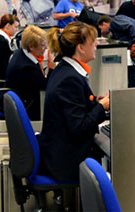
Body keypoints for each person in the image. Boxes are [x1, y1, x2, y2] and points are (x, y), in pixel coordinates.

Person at [39, 21, 109, 182]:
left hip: (57, 151)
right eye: (93, 42)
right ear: (81, 47)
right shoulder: (70, 79)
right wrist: (101, 106)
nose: (97, 44)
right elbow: (79, 127)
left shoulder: (64, 70)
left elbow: (72, 108)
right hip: (65, 162)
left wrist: (94, 102)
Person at [5, 25, 54, 120]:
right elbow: (47, 86)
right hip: (27, 107)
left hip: (22, 98)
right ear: (31, 47)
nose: (45, 49)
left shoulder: (20, 53)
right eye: (43, 46)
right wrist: (52, 68)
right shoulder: (27, 67)